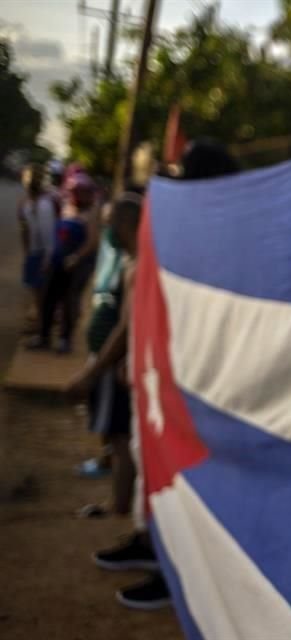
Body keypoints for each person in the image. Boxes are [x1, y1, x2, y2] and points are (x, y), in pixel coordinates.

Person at [88, 139, 239, 610]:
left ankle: (176, 568)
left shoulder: (225, 234)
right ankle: (153, 545)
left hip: (198, 379)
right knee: (151, 455)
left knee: (187, 474)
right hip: (166, 372)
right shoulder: (187, 228)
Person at [68, 193, 144, 507]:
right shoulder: (128, 262)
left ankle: (121, 509)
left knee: (120, 439)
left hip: (116, 366)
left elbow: (126, 328)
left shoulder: (137, 268)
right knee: (117, 437)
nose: (106, 231)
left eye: (110, 224)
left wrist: (92, 371)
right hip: (113, 363)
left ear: (127, 224)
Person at [28, 171, 100, 353]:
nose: (77, 195)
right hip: (58, 260)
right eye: (74, 191)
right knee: (48, 298)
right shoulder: (67, 207)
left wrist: (76, 257)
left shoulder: (91, 213)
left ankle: (64, 339)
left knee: (70, 300)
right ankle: (43, 336)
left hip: (78, 265)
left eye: (81, 191)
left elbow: (92, 242)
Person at [16, 164, 57, 327]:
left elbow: (48, 235)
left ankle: (42, 328)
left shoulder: (44, 204)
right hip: (34, 252)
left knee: (42, 293)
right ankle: (40, 325)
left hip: (43, 253)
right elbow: (24, 230)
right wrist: (27, 253)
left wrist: (47, 258)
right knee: (36, 291)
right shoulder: (26, 203)